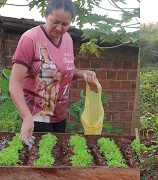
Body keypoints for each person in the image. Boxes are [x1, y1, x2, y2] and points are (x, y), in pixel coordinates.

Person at [9, 0, 97, 142]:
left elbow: (59, 73)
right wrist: (26, 117)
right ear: (45, 15)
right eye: (54, 22)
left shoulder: (67, 39)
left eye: (65, 24)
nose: (59, 28)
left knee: (58, 157)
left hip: (60, 115)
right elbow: (15, 82)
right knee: (40, 159)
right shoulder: (30, 38)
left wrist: (81, 73)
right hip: (37, 116)